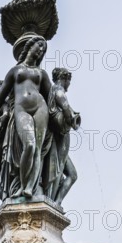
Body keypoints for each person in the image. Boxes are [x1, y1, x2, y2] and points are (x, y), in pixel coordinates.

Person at [0, 36, 52, 199]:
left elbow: (52, 97)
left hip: (40, 108)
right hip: (21, 109)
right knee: (30, 145)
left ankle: (28, 188)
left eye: (43, 50)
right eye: (39, 45)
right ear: (29, 46)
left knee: (37, 150)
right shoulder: (15, 71)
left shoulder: (42, 74)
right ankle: (21, 186)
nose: (41, 50)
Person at [43, 67, 80, 204]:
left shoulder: (53, 90)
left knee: (71, 175)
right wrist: (71, 118)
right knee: (61, 172)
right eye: (69, 81)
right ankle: (53, 201)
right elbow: (64, 106)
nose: (69, 84)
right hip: (60, 137)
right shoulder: (58, 89)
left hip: (59, 137)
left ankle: (56, 203)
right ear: (65, 79)